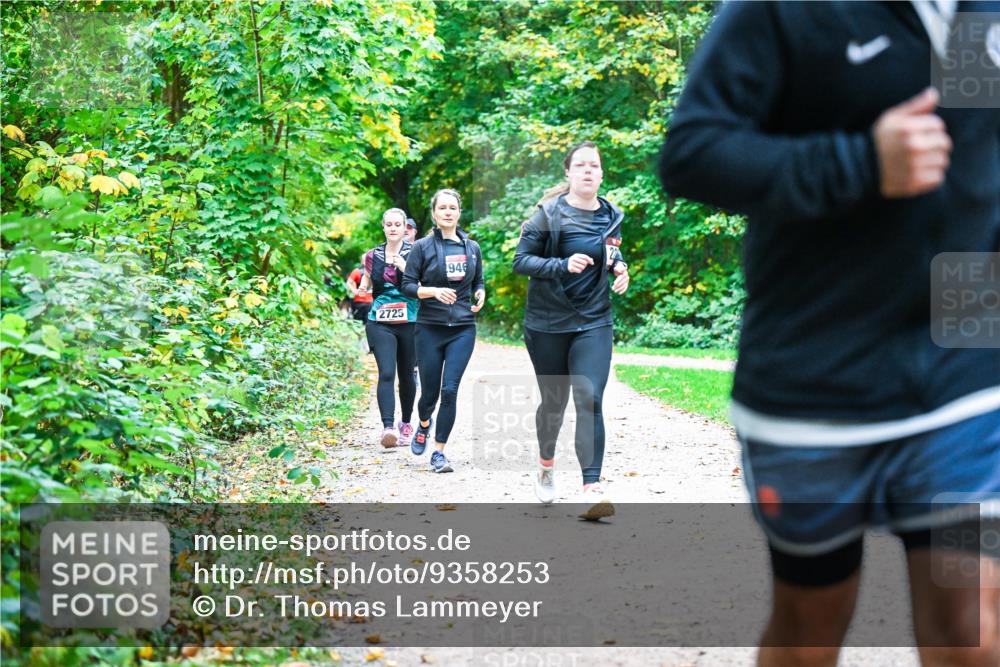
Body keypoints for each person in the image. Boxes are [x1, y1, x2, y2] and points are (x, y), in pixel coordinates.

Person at [658, 3, 1000, 666]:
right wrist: (860, 163)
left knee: (971, 624)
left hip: (967, 381)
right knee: (810, 626)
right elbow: (693, 153)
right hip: (816, 380)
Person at [512, 141, 629, 519]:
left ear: (601, 173)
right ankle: (546, 465)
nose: (587, 171)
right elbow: (521, 261)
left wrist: (620, 269)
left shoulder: (611, 214)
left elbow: (611, 251)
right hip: (547, 322)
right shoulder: (547, 214)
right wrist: (561, 265)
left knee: (589, 396)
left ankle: (590, 486)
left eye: (594, 165)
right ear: (568, 173)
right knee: (555, 402)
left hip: (594, 319)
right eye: (580, 165)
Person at [401, 189, 486, 473]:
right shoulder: (421, 247)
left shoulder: (472, 247)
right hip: (429, 329)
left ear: (459, 212)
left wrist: (480, 292)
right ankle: (424, 423)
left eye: (453, 208)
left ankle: (439, 452)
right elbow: (408, 286)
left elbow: (479, 281)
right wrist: (433, 291)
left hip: (462, 328)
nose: (448, 212)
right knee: (430, 394)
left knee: (450, 390)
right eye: (443, 208)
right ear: (435, 213)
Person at [358, 208, 420, 449]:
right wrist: (364, 286)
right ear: (383, 227)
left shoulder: (416, 252)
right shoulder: (372, 255)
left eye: (398, 224)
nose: (393, 228)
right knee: (386, 372)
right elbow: (368, 275)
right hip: (380, 321)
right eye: (389, 224)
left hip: (410, 320)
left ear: (405, 228)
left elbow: (425, 283)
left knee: (407, 375)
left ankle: (405, 423)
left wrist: (405, 267)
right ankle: (388, 428)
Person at [346, 257, 373, 323]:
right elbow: (349, 282)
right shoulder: (357, 271)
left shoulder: (374, 271)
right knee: (359, 322)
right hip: (360, 301)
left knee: (365, 323)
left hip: (370, 302)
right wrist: (354, 290)